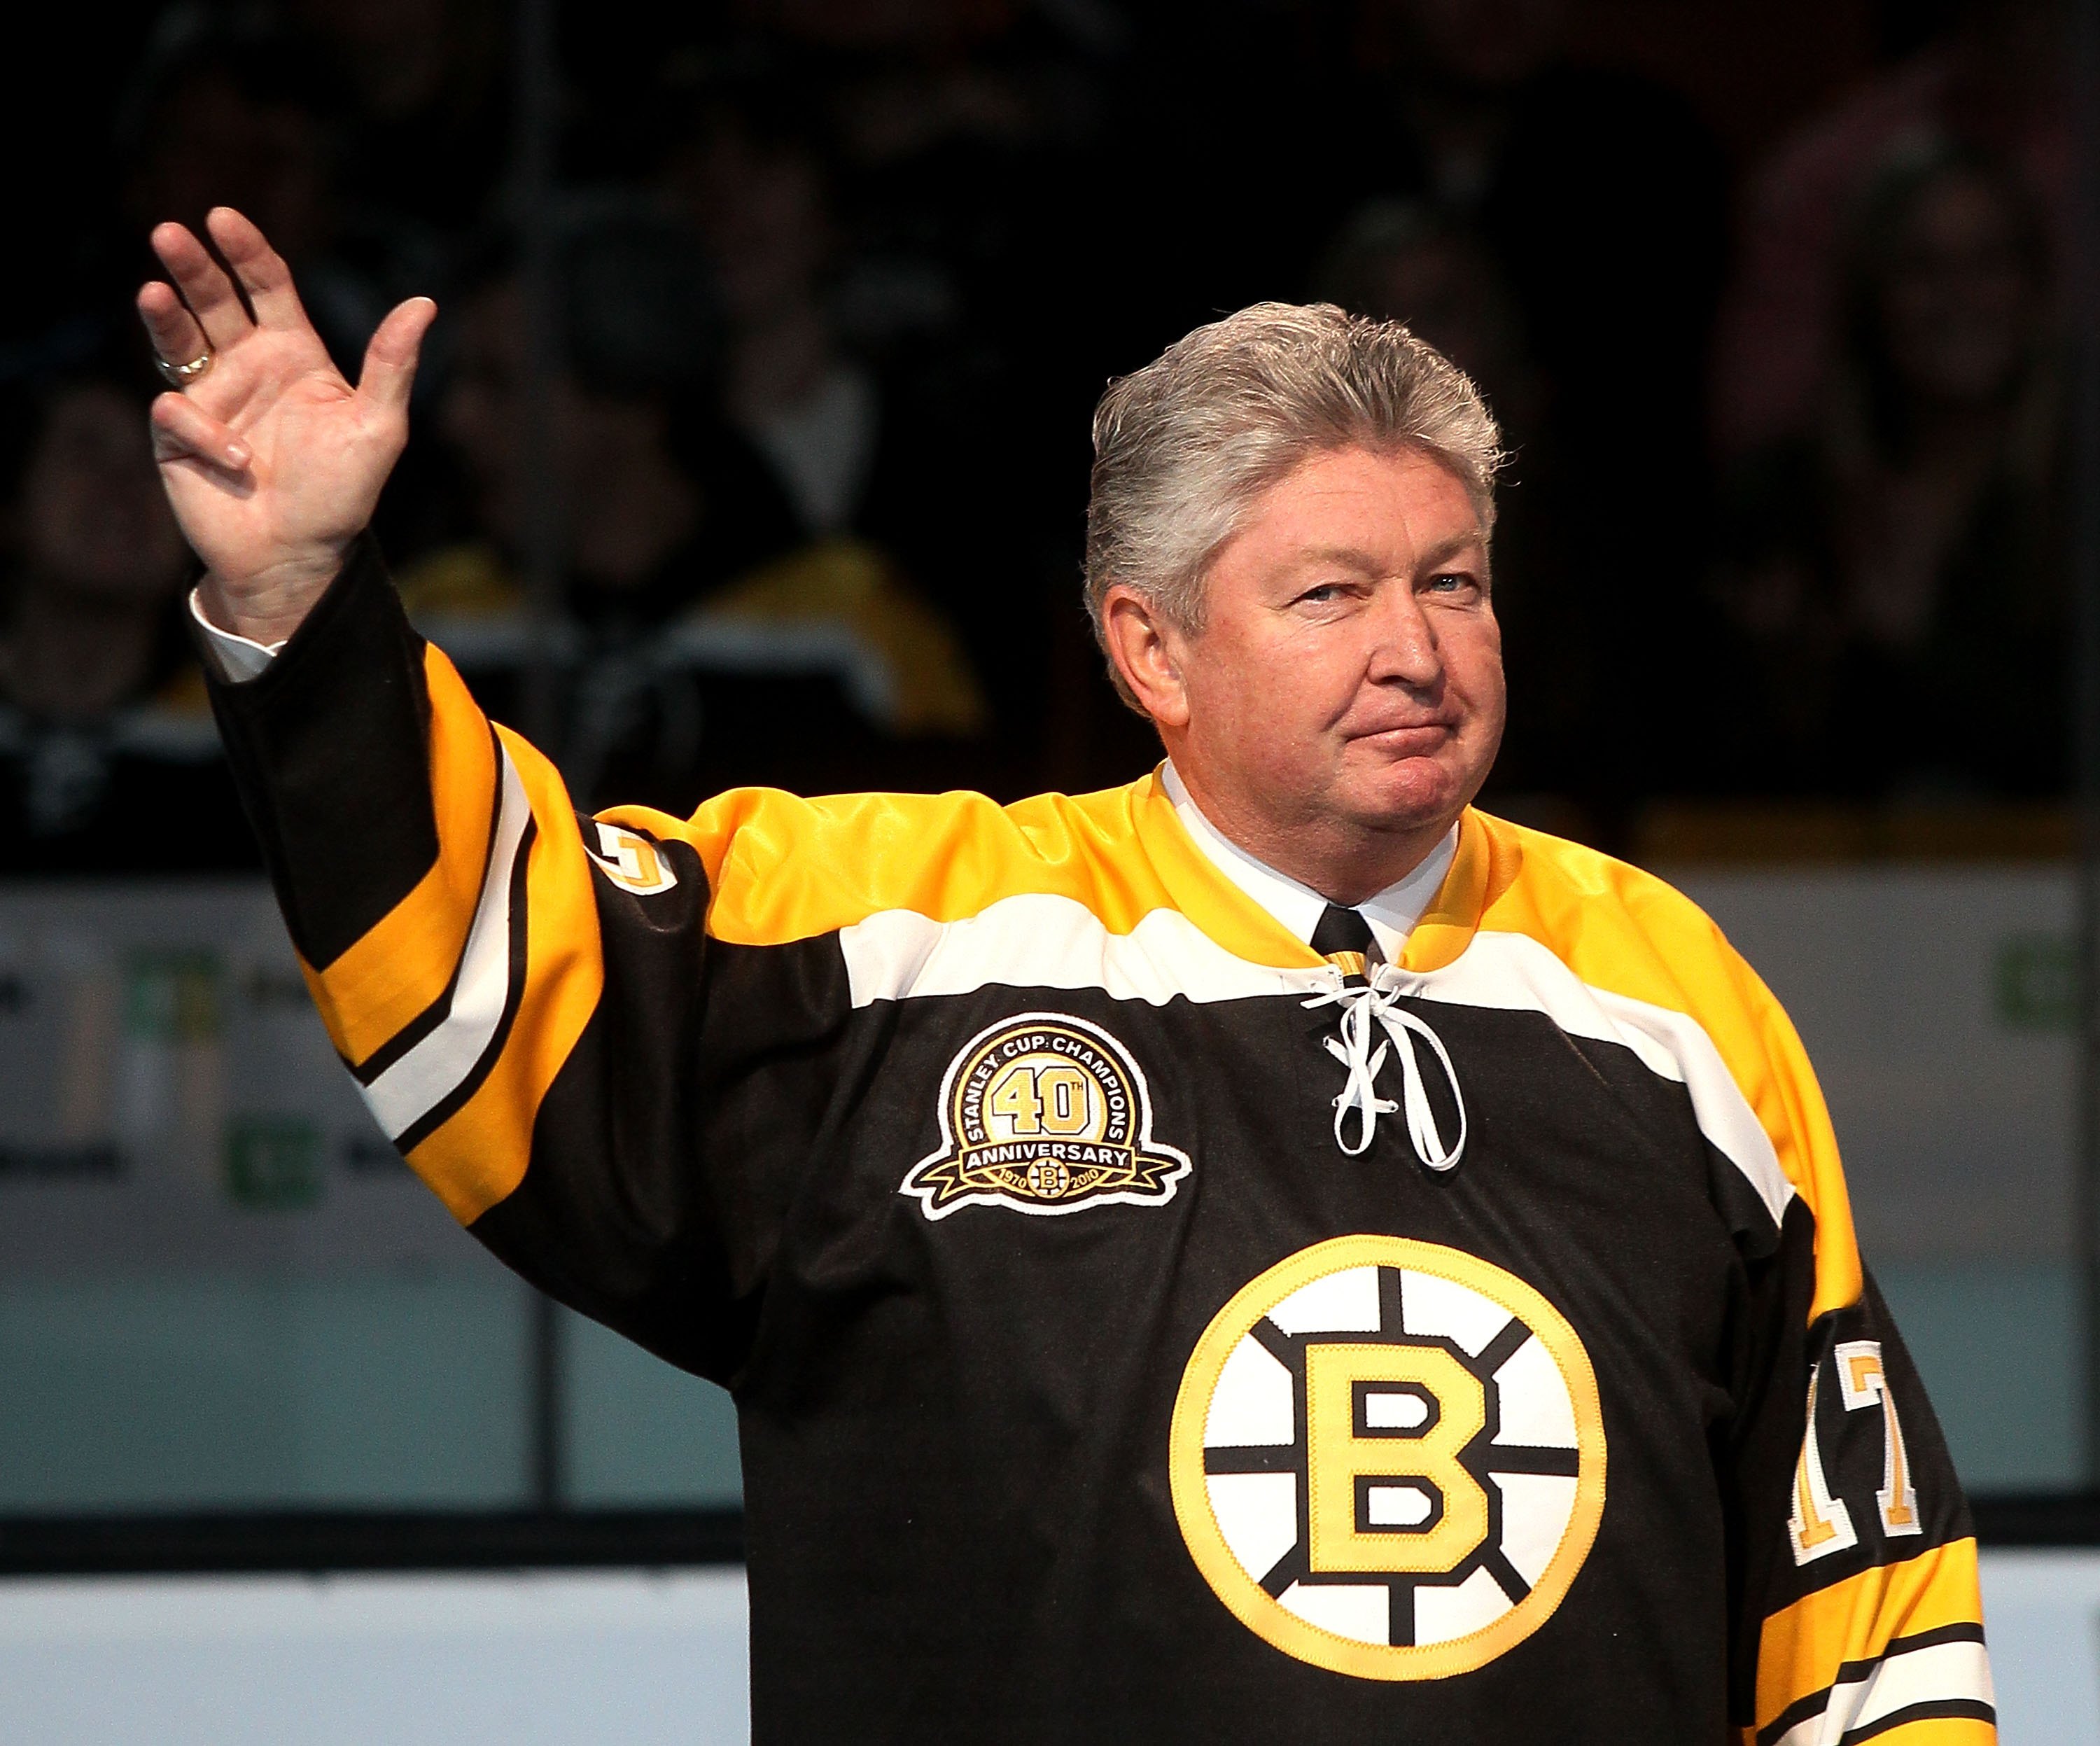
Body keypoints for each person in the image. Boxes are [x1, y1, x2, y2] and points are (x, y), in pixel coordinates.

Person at [140, 207, 1992, 1742]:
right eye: (1334, 593)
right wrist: (305, 606)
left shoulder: (1660, 985)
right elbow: (496, 970)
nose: (1421, 647)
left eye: (1455, 580)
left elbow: (1859, 1588)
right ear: (1151, 649)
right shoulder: (894, 932)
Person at [1709, 144, 2064, 798]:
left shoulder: (2079, 494)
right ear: (1872, 298)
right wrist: (1788, 677)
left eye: (1988, 263)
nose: (1958, 298)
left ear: (2034, 288)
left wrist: (1914, 644)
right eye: (1922, 268)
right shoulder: (1789, 497)